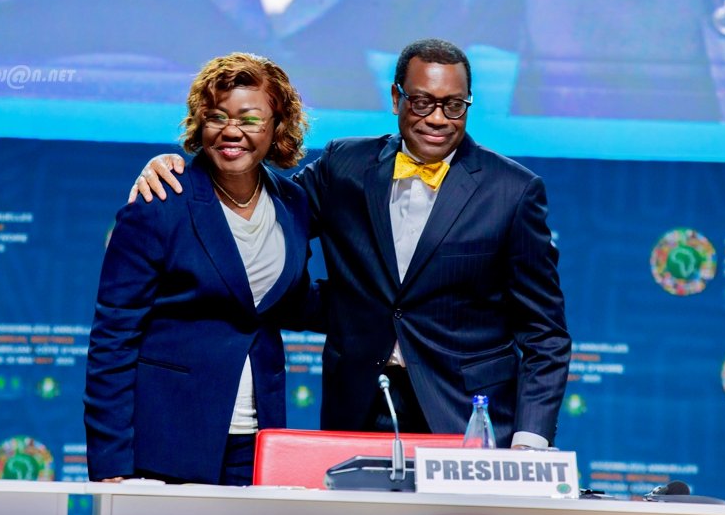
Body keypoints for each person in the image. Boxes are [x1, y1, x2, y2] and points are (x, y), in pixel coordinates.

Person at [130, 39, 571, 449]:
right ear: (397, 98)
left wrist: (530, 439)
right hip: (359, 404)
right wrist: (183, 172)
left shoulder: (513, 191)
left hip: (467, 414)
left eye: (453, 105)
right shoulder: (345, 165)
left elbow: (545, 333)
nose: (437, 118)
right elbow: (264, 209)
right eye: (422, 102)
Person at [84, 52, 317, 485]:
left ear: (278, 125)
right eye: (216, 116)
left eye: (250, 119)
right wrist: (111, 462)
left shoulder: (293, 202)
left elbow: (289, 302)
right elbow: (113, 339)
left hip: (259, 439)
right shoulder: (159, 203)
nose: (231, 130)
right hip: (168, 440)